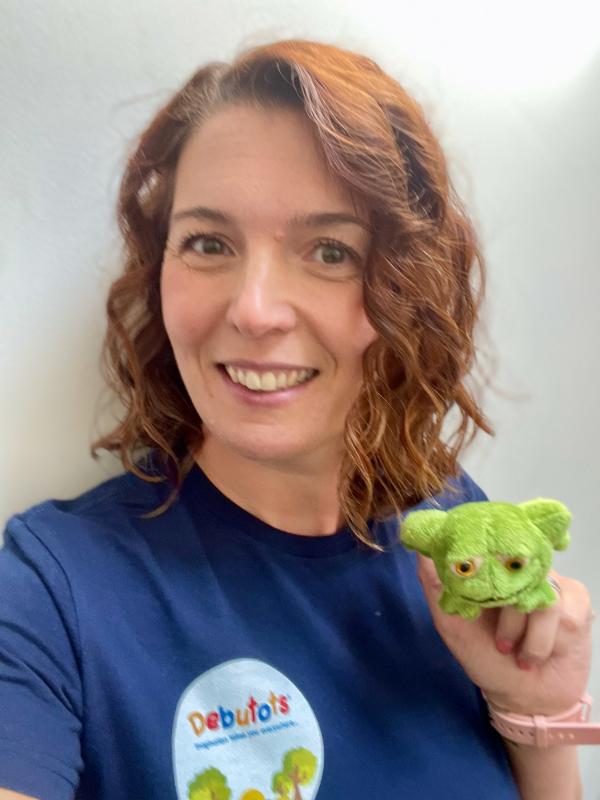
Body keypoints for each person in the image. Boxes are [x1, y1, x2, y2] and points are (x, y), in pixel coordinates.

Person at [0, 38, 594, 800]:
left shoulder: (452, 531)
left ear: (405, 288)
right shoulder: (51, 590)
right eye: (209, 242)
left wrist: (534, 717)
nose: (253, 310)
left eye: (330, 251)